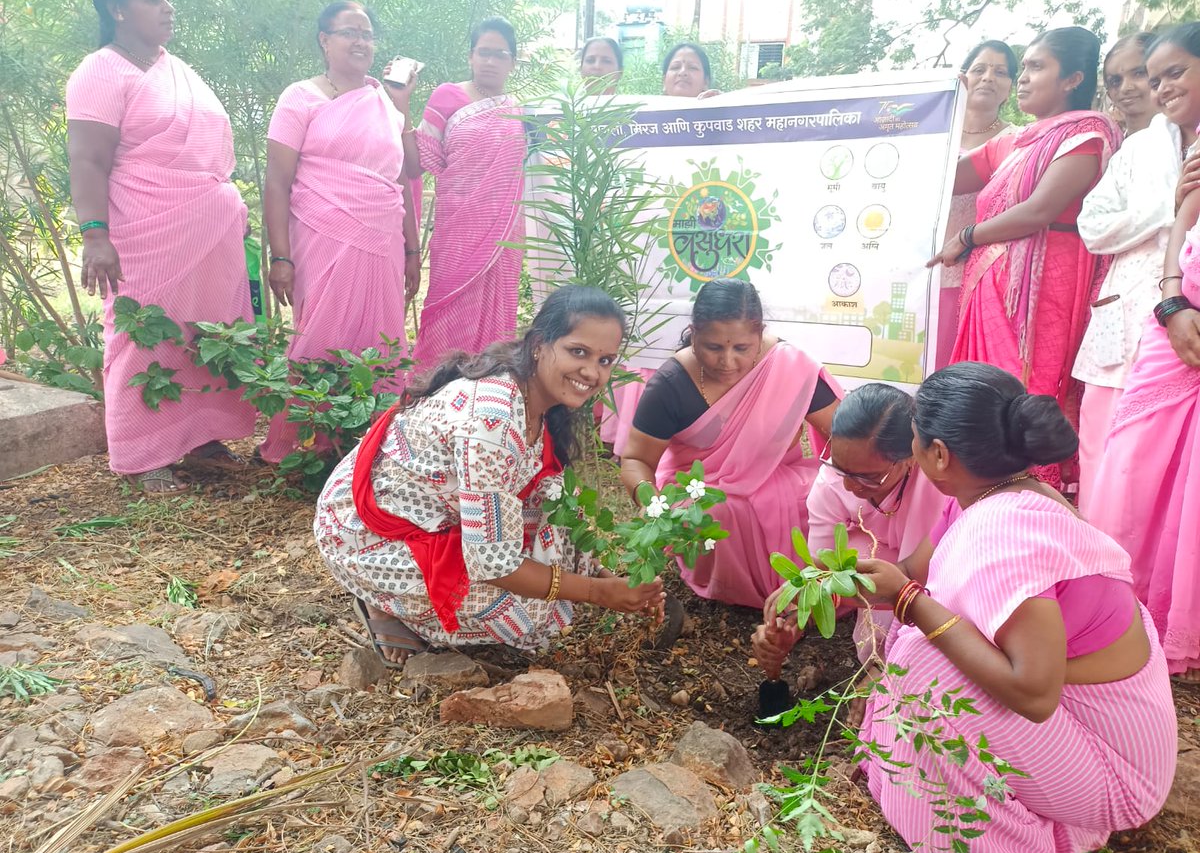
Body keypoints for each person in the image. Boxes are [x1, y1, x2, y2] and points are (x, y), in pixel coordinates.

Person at [824, 362, 1175, 853]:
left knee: (924, 664)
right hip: (1086, 734)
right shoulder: (991, 494)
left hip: (1117, 775)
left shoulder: (1005, 536)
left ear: (939, 455)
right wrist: (820, 588)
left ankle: (1024, 847)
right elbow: (913, 573)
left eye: (916, 440)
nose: (913, 451)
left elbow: (1033, 694)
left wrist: (907, 602)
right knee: (918, 637)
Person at [315, 287, 664, 664]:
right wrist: (597, 592)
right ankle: (386, 603)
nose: (592, 372)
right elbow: (494, 563)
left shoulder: (537, 397)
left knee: (559, 539)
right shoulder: (492, 420)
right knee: (525, 616)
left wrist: (607, 576)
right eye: (578, 352)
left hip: (438, 517)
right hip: (368, 534)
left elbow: (542, 496)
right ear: (538, 344)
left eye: (606, 359)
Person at [66, 0, 256, 494]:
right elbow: (87, 158)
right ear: (116, 8)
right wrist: (94, 234)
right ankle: (144, 455)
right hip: (143, 228)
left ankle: (201, 438)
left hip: (208, 231)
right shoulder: (101, 70)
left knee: (205, 332)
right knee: (143, 333)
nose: (167, 7)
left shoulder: (179, 69)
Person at [930, 26, 1121, 491]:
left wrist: (968, 235)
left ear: (1073, 78)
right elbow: (941, 177)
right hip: (991, 287)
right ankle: (980, 491)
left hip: (1042, 291)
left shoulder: (1086, 134)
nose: (1023, 77)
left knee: (1024, 394)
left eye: (1037, 67)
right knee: (982, 397)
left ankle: (1031, 495)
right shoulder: (1017, 142)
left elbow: (1039, 211)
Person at [259, 1, 420, 463]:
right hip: (322, 232)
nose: (361, 42)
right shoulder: (300, 97)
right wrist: (281, 256)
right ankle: (311, 447)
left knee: (382, 338)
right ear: (324, 40)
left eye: (368, 34)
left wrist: (412, 248)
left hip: (383, 237)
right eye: (349, 32)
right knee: (322, 335)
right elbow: (277, 181)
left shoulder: (384, 103)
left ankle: (374, 444)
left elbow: (407, 173)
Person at [619, 279, 840, 609]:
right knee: (719, 512)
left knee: (826, 495)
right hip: (699, 489)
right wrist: (654, 506)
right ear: (693, 335)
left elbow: (844, 433)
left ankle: (817, 587)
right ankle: (748, 589)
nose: (727, 361)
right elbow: (636, 459)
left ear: (759, 334)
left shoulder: (788, 365)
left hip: (780, 479)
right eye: (713, 347)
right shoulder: (672, 382)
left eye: (741, 348)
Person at [1090, 23, 1200, 683]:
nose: (1161, 86)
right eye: (1153, 76)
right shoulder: (1176, 146)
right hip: (1176, 319)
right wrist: (1171, 302)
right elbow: (1177, 228)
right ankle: (1121, 612)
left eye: (1174, 71)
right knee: (1132, 461)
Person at [1073, 29, 1199, 511]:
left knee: (1164, 462)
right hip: (1125, 308)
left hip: (1186, 314)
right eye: (1153, 77)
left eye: (1170, 74)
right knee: (1101, 447)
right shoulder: (1139, 148)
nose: (1150, 87)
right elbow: (1092, 226)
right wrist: (1168, 210)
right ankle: (1100, 570)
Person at [752, 384, 947, 674]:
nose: (848, 485)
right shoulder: (832, 482)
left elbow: (928, 586)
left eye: (867, 477)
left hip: (938, 591)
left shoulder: (938, 486)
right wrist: (797, 619)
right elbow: (824, 574)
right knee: (849, 560)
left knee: (915, 656)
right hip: (892, 576)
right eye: (841, 468)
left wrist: (883, 669)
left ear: (911, 457)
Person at [393, 17, 526, 371]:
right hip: (458, 234)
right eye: (483, 52)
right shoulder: (447, 96)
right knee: (446, 313)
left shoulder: (521, 111)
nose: (490, 61)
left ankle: (488, 398)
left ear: (512, 61)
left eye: (500, 54)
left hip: (503, 240)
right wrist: (402, 108)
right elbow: (414, 166)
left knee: (497, 330)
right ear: (470, 56)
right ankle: (435, 395)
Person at [936, 41, 1019, 366]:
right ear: (962, 78)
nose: (988, 78)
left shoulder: (1019, 141)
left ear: (1010, 87)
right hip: (922, 274)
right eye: (979, 69)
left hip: (982, 276)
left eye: (1000, 72)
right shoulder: (932, 136)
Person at [1103, 32, 1158, 135]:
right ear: (1109, 94)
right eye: (1115, 81)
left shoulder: (1191, 140)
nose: (1125, 88)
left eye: (1138, 73)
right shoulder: (1111, 147)